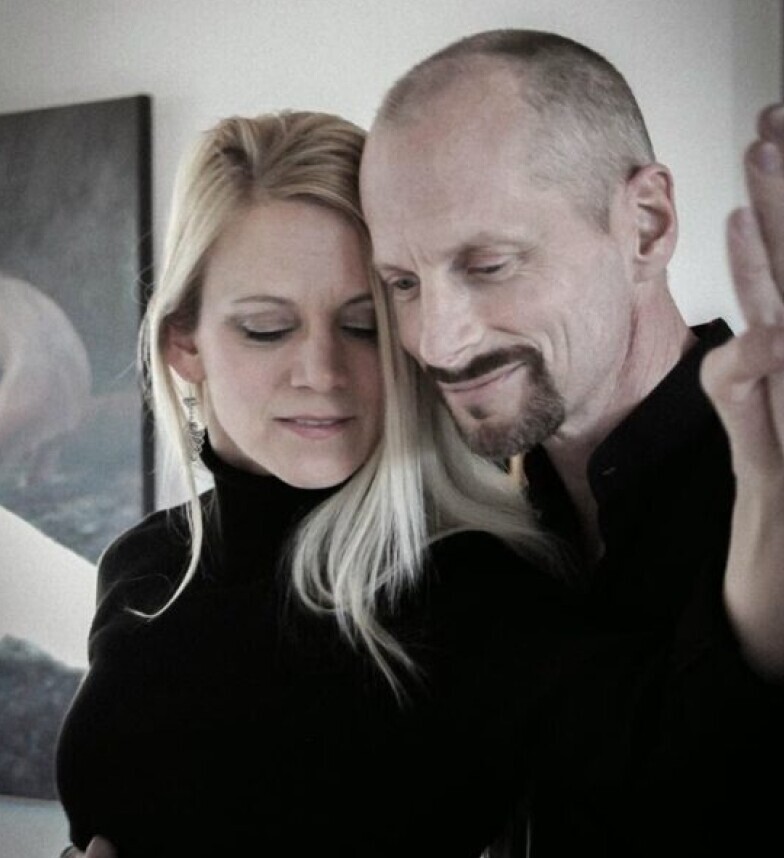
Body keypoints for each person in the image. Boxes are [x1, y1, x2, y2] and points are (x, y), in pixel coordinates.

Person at [358, 28, 784, 858]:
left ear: (647, 227)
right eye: (403, 283)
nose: (437, 341)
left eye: (488, 265)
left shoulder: (766, 483)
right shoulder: (459, 538)